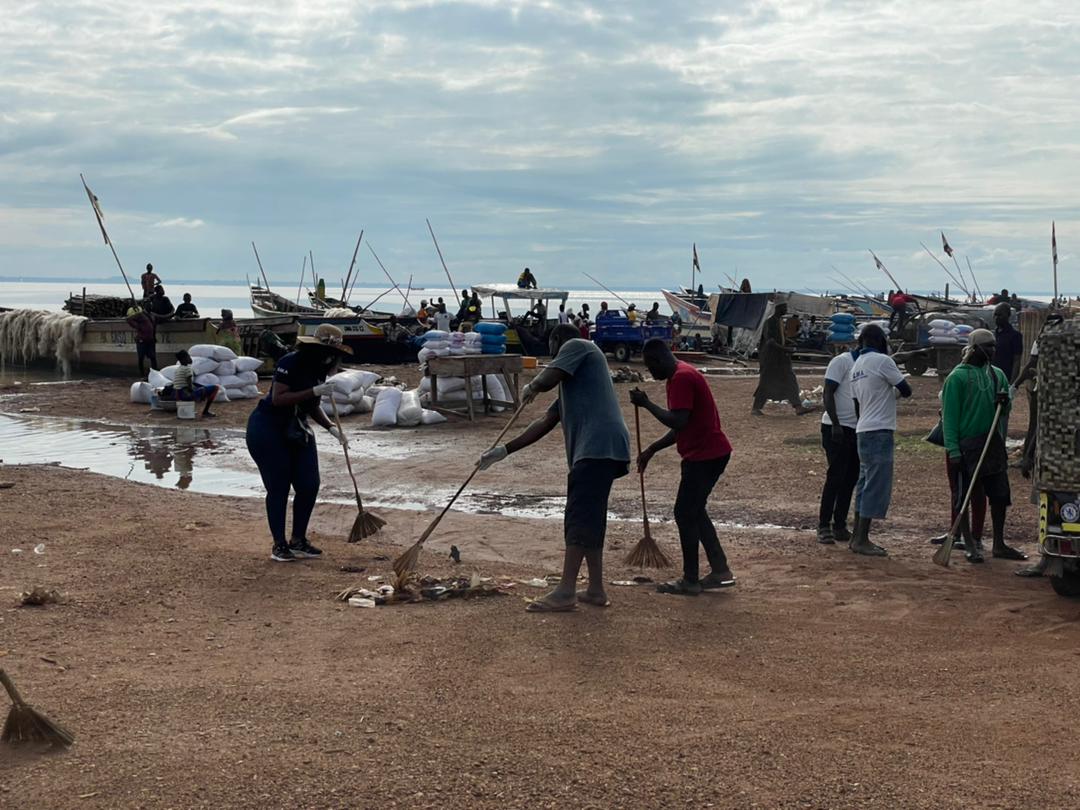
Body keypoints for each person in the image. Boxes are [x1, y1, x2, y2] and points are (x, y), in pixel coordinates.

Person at [478, 324, 630, 612]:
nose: (551, 353)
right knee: (590, 517)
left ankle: (566, 591)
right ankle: (595, 589)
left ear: (557, 340)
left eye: (550, 346)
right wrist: (504, 450)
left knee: (578, 517)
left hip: (595, 447)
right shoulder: (577, 382)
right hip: (605, 447)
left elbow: (547, 378)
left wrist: (533, 385)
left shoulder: (577, 346)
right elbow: (545, 422)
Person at [631, 339, 735, 595]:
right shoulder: (680, 375)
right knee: (695, 511)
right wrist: (652, 449)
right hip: (709, 453)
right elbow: (684, 425)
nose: (650, 373)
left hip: (705, 456)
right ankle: (720, 570)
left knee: (684, 513)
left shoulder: (681, 378)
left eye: (649, 366)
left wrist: (646, 404)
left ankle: (690, 579)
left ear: (657, 360)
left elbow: (678, 420)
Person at [245, 324, 351, 562]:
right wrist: (314, 390)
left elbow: (311, 406)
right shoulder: (289, 362)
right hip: (268, 428)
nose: (333, 358)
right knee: (279, 487)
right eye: (330, 352)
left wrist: (332, 429)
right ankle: (279, 545)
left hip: (297, 427)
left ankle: (299, 540)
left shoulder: (319, 369)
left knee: (309, 484)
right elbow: (278, 398)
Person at [941, 328, 1026, 563]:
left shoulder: (997, 375)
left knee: (999, 496)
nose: (992, 350)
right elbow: (949, 418)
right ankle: (969, 542)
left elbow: (1005, 411)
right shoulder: (957, 378)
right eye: (987, 346)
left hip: (992, 443)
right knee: (965, 496)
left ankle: (998, 543)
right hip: (966, 445)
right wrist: (953, 450)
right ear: (975, 348)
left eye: (994, 346)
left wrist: (1004, 401)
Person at [849, 324, 912, 556]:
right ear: (880, 340)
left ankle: (857, 536)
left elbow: (857, 405)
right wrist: (891, 393)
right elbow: (905, 389)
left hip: (862, 429)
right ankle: (862, 539)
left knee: (864, 484)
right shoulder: (884, 361)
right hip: (880, 430)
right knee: (876, 485)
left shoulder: (856, 366)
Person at [817, 346, 860, 544]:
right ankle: (824, 525)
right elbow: (828, 393)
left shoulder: (865, 363)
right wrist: (835, 424)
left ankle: (840, 524)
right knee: (836, 477)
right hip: (837, 427)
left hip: (856, 428)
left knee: (850, 478)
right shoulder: (842, 362)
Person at [752, 302, 811, 416]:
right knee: (766, 382)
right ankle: (756, 408)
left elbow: (780, 338)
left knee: (790, 379)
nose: (786, 310)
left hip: (780, 357)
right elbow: (770, 341)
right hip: (770, 358)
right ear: (778, 308)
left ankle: (798, 406)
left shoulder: (779, 321)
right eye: (784, 308)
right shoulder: (770, 322)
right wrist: (785, 349)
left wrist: (790, 341)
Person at [172, 350, 218, 417]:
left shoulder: (178, 369)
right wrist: (200, 394)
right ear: (184, 359)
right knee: (216, 388)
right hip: (186, 395)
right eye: (188, 356)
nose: (190, 358)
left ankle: (192, 409)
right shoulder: (187, 368)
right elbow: (189, 384)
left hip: (178, 395)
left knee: (199, 386)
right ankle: (205, 412)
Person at [992, 302, 1023, 382]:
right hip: (991, 377)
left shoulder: (1015, 336)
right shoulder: (992, 335)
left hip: (1005, 377)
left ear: (1008, 315)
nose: (996, 318)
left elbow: (1017, 360)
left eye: (1000, 315)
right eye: (995, 315)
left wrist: (1011, 383)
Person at [126, 304, 157, 375]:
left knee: (153, 357)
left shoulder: (152, 316)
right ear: (145, 307)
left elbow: (154, 327)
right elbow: (129, 319)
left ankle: (155, 373)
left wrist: (154, 337)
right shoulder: (140, 314)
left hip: (151, 340)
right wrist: (138, 326)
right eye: (148, 304)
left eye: (151, 304)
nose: (150, 306)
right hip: (141, 340)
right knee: (141, 357)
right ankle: (142, 374)